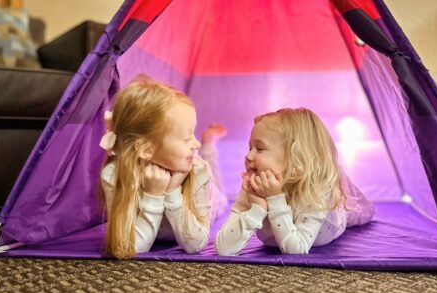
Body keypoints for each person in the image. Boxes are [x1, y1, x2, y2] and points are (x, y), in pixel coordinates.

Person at [216, 108, 374, 255]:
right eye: (249, 147)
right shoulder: (253, 186)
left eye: (260, 149)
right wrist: (257, 209)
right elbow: (224, 249)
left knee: (361, 212)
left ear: (294, 157)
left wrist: (275, 200)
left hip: (333, 218)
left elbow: (296, 250)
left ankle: (338, 177)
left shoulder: (316, 190)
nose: (248, 156)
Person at [99, 76, 227, 259]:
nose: (195, 143)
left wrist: (174, 191)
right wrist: (154, 195)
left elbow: (195, 245)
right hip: (175, 163)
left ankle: (210, 144)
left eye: (194, 133)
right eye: (187, 137)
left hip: (209, 199)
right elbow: (131, 246)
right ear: (146, 149)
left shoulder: (196, 170)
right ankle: (208, 144)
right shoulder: (113, 175)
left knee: (220, 196)